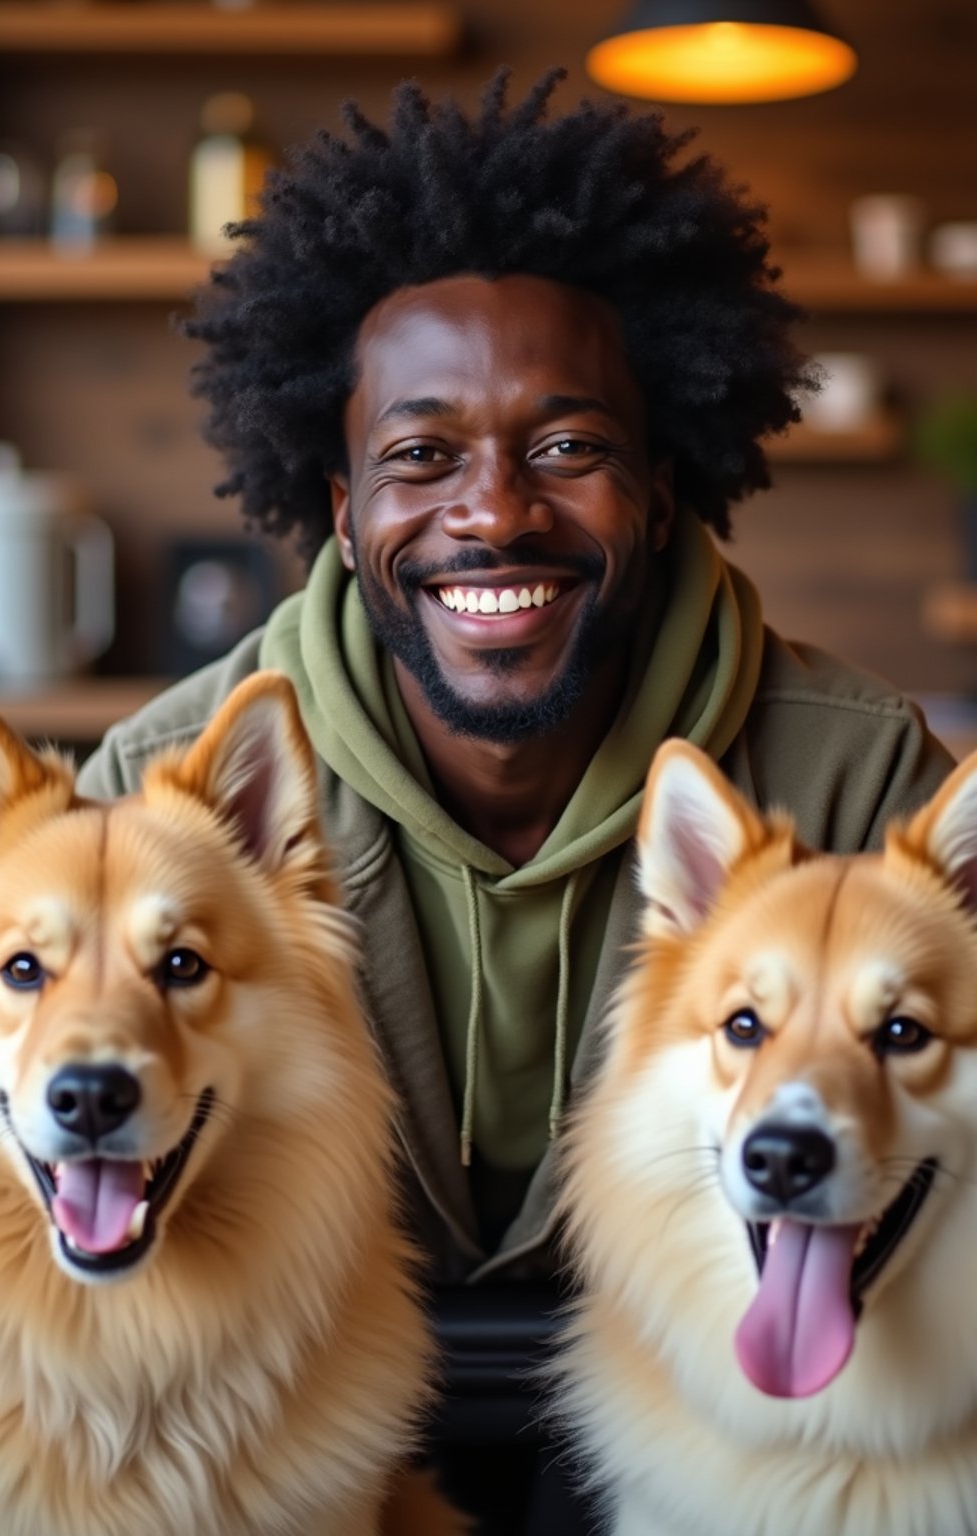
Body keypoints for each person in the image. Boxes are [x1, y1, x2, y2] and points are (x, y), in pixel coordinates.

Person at [77, 69, 953, 1533]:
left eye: (566, 448)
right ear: (344, 513)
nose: (493, 512)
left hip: (740, 1429)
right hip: (279, 1419)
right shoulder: (171, 800)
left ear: (663, 486)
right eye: (422, 458)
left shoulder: (855, 773)